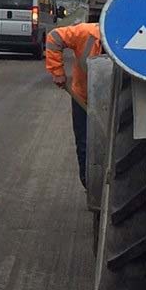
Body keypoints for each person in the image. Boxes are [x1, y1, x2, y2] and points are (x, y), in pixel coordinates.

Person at [45, 22, 102, 188]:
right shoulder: (87, 33)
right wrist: (57, 72)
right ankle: (89, 185)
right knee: (84, 142)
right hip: (83, 98)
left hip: (116, 102)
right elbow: (54, 37)